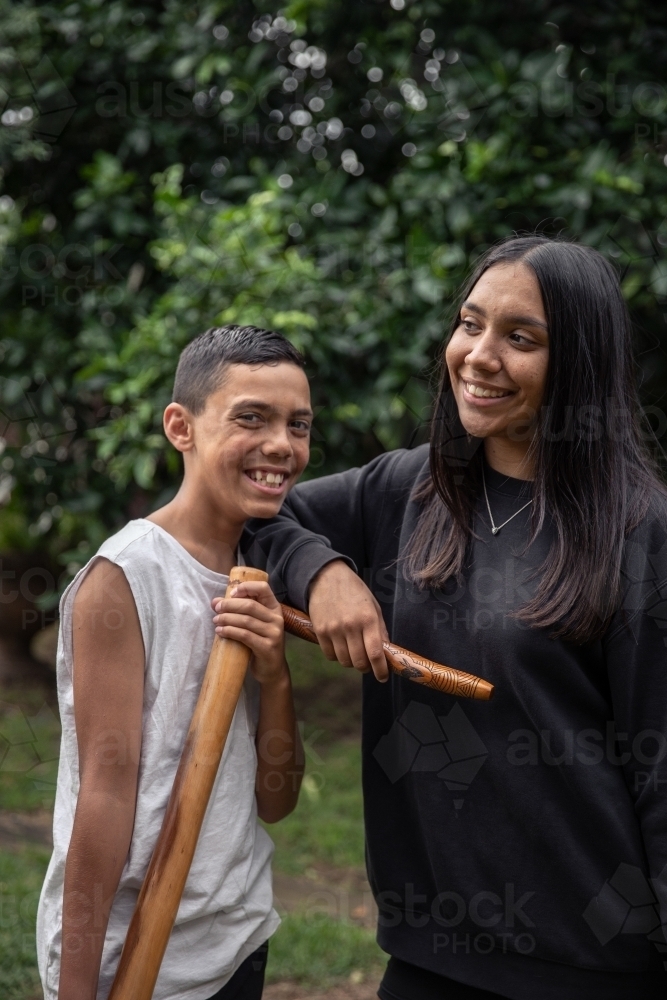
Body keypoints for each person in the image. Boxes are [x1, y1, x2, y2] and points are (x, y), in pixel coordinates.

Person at [241, 236, 667, 1000]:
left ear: (579, 363)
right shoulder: (407, 491)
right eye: (469, 324)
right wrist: (324, 570)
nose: (478, 355)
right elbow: (248, 516)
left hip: (587, 965)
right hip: (426, 953)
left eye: (520, 338)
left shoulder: (638, 531)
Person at [37, 325, 311, 1000]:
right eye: (251, 417)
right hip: (128, 960)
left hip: (234, 941)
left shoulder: (257, 573)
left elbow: (274, 803)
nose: (281, 444)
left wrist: (274, 672)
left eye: (298, 425)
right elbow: (102, 797)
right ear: (179, 427)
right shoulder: (128, 575)